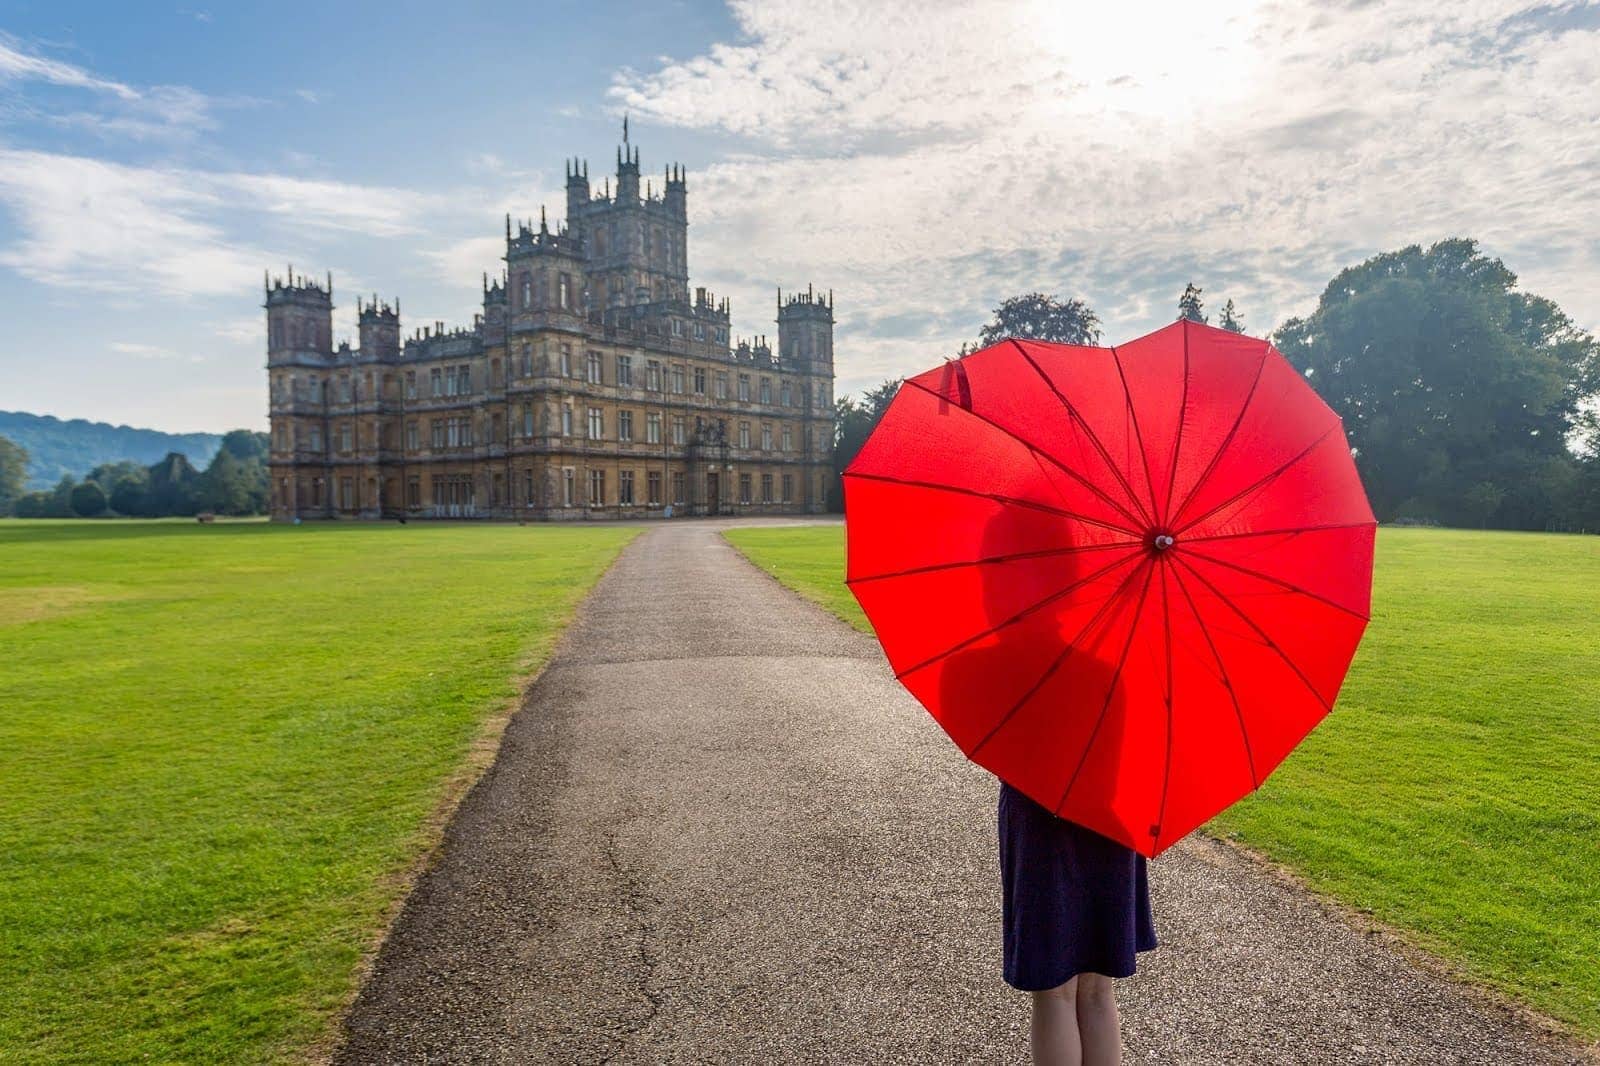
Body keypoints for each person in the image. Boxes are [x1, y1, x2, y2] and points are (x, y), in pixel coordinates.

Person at [941, 503, 1157, 1065]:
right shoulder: (1108, 670)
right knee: (1096, 991)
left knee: (1054, 995)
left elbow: (985, 737)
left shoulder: (969, 670)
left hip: (1040, 838)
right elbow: (1113, 763)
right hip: (1109, 831)